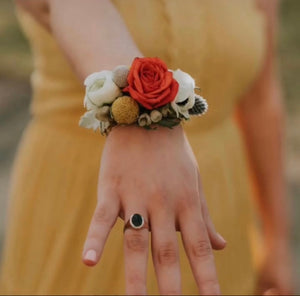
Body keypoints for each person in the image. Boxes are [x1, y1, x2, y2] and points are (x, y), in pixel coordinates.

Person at [0, 0, 293, 295]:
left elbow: (261, 100)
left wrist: (277, 240)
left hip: (218, 207)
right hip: (83, 207)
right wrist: (144, 115)